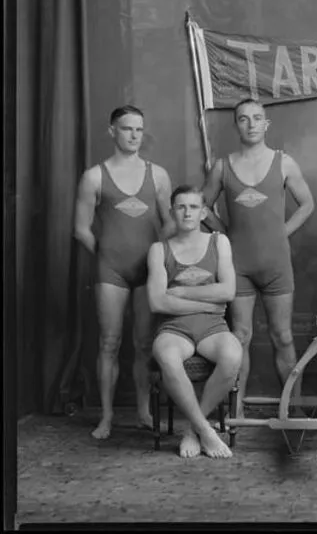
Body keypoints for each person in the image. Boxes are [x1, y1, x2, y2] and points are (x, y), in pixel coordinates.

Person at [202, 98, 315, 418]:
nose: (250, 124)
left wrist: (282, 233)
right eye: (243, 119)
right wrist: (224, 233)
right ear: (235, 125)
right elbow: (201, 206)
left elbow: (307, 204)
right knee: (240, 337)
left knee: (283, 336)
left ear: (266, 124)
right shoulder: (223, 166)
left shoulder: (284, 162)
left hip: (277, 264)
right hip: (239, 266)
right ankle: (236, 412)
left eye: (256, 118)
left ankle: (295, 410)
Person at [74, 105, 174, 440]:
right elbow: (81, 229)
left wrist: (160, 258)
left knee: (145, 344)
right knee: (109, 342)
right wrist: (105, 257)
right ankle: (106, 416)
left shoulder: (157, 174)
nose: (134, 135)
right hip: (111, 270)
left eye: (139, 129)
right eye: (127, 128)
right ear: (112, 131)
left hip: (148, 269)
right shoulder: (94, 176)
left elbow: (170, 222)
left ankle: (144, 411)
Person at [147, 185, 242, 459]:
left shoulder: (218, 241)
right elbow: (158, 302)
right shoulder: (159, 250)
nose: (187, 212)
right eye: (180, 207)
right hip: (174, 327)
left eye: (193, 207)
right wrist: (207, 302)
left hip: (213, 326)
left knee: (233, 356)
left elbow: (228, 292)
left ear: (203, 212)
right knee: (166, 355)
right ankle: (207, 430)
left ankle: (192, 429)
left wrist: (182, 291)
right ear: (172, 212)